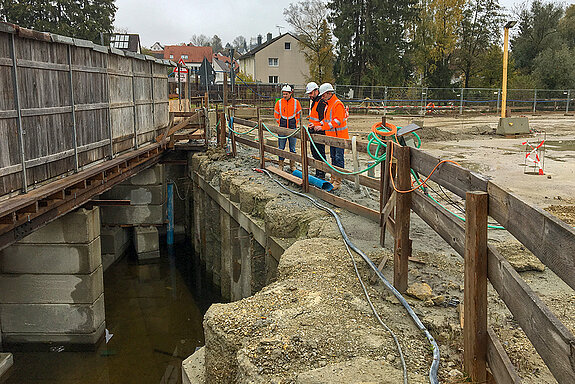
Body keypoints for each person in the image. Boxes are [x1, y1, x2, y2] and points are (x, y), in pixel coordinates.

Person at [318, 82, 348, 190]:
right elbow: (326, 120)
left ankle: (338, 181)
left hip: (339, 137)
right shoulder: (328, 105)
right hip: (332, 137)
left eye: (323, 95)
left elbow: (337, 121)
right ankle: (334, 177)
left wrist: (322, 127)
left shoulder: (337, 104)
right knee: (333, 158)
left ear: (329, 93)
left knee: (339, 159)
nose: (322, 97)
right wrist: (318, 125)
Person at [274, 84, 302, 172]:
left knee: (292, 148)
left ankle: (292, 165)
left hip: (292, 128)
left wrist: (295, 122)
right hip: (282, 129)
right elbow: (276, 113)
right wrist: (280, 121)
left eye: (286, 94)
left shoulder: (296, 102)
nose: (284, 96)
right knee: (281, 147)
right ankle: (280, 165)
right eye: (283, 94)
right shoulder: (279, 102)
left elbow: (299, 114)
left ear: (291, 93)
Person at [306, 81, 327, 180]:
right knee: (315, 153)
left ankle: (322, 173)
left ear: (316, 91)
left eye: (311, 93)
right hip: (313, 131)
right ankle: (319, 172)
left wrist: (316, 125)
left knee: (320, 153)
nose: (309, 95)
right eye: (309, 93)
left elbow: (324, 120)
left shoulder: (321, 102)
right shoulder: (314, 102)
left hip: (319, 132)